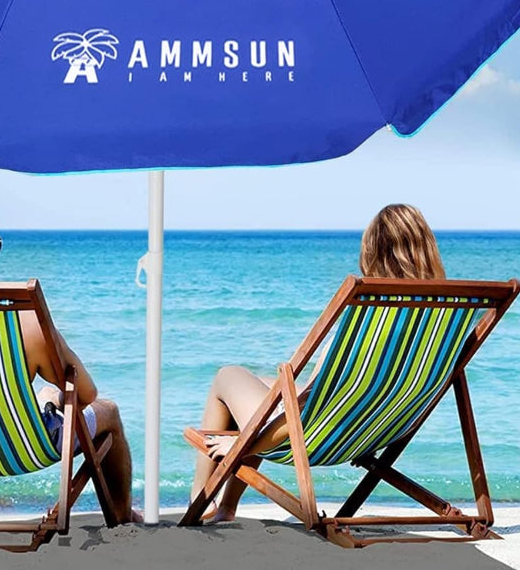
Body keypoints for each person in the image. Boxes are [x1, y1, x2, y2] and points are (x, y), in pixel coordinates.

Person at [190, 203, 447, 522]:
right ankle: (227, 507)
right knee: (268, 387)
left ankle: (200, 499)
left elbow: (310, 401)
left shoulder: (370, 312)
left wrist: (241, 446)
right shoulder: (443, 317)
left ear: (371, 253)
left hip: (309, 434)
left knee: (227, 377)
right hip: (366, 433)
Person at [0, 196, 140, 525]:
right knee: (107, 411)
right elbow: (86, 394)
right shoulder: (21, 319)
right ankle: (123, 516)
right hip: (22, 448)